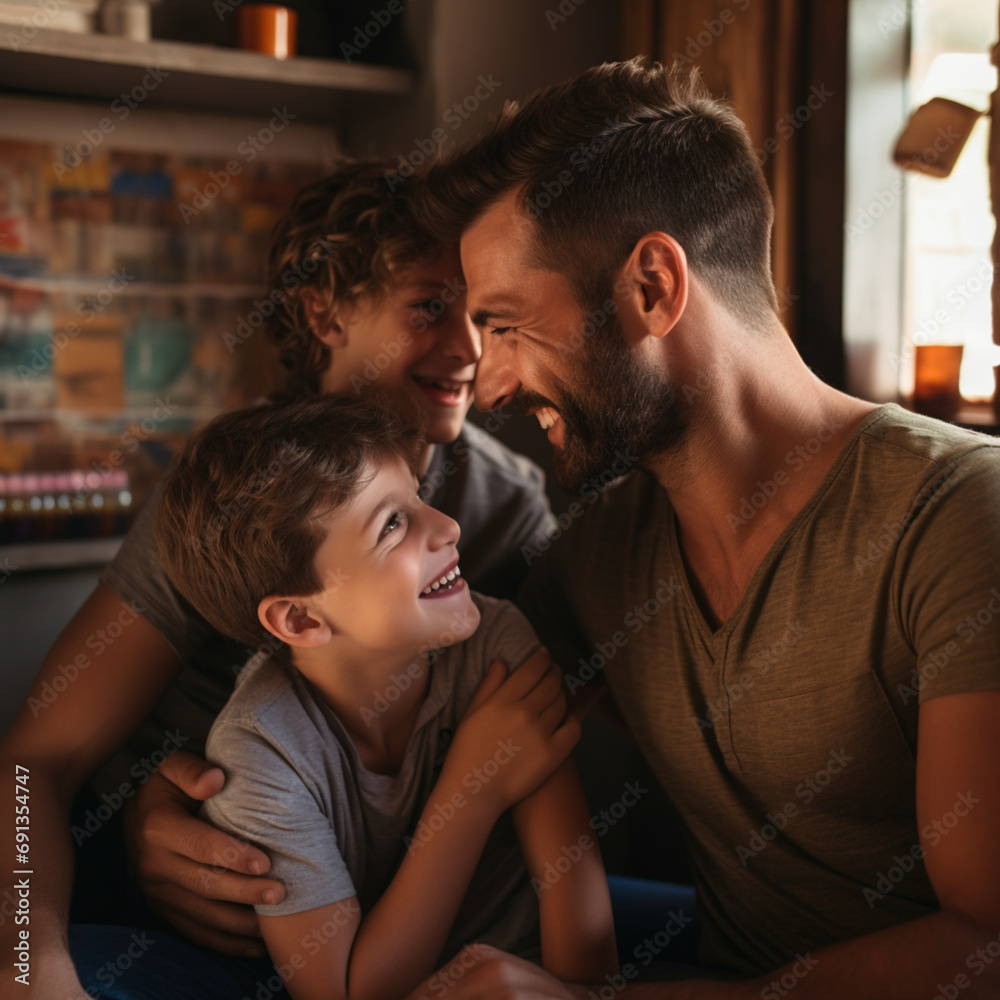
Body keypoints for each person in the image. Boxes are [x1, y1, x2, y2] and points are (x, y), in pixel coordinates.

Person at [399, 57, 1000, 997]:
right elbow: (408, 724)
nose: (496, 387)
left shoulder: (961, 516)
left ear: (651, 287)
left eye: (507, 326)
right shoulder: (601, 555)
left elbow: (985, 944)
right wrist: (189, 809)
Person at [0, 159, 555, 1000]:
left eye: (479, 310)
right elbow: (33, 765)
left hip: (382, 923)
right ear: (323, 310)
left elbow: (551, 713)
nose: (470, 349)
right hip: (201, 912)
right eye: (430, 307)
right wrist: (33, 966)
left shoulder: (504, 504)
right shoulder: (233, 498)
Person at [147, 394, 617, 1000]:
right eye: (393, 524)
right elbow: (347, 992)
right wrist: (473, 789)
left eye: (418, 497)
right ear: (298, 619)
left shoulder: (496, 643)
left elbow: (587, 947)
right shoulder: (260, 757)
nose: (446, 526)